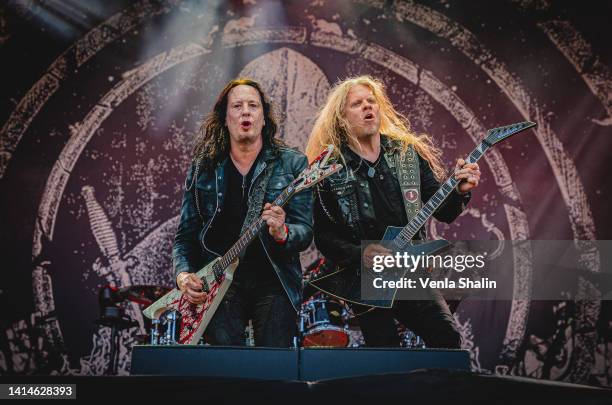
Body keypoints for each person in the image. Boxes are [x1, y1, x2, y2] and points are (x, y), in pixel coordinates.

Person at [305, 75, 480, 348]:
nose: (367, 107)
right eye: (357, 104)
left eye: (371, 101)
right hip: (365, 280)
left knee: (447, 339)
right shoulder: (331, 171)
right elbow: (325, 237)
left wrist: (459, 191)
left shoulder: (406, 154)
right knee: (385, 353)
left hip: (410, 272)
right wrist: (361, 254)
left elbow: (444, 211)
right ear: (341, 118)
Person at [173, 78, 313, 347]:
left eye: (253, 105)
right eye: (237, 106)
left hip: (274, 280)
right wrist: (183, 276)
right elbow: (185, 236)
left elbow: (304, 233)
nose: (246, 111)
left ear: (263, 118)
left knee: (274, 371)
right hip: (218, 281)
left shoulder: (294, 163)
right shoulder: (204, 166)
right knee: (227, 371)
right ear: (225, 118)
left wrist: (283, 232)